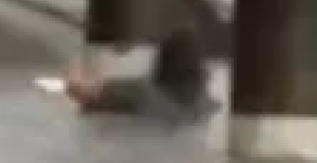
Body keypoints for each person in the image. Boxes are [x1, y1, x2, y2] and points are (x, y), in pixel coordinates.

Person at [64, 29, 218, 123]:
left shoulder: (139, 91)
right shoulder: (205, 105)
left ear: (162, 59)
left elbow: (77, 92)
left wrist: (73, 62)